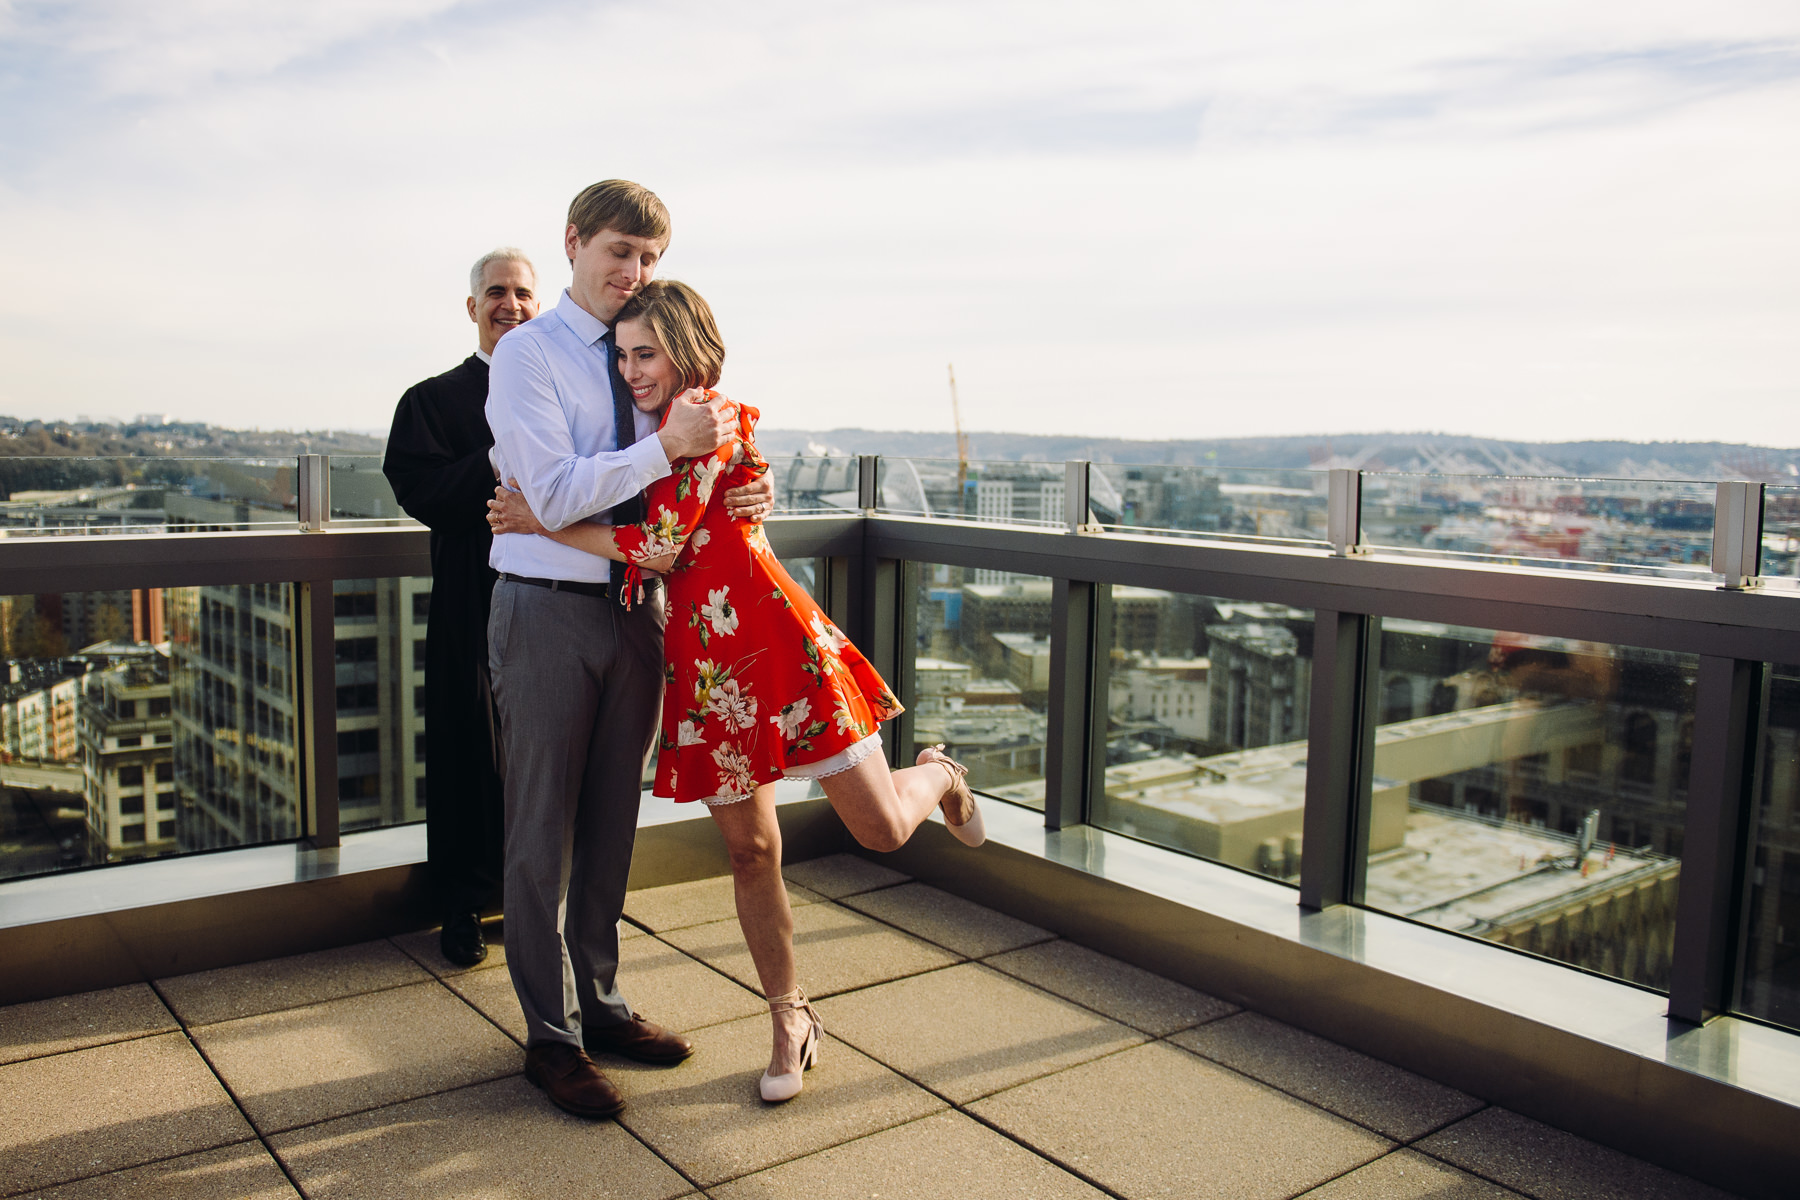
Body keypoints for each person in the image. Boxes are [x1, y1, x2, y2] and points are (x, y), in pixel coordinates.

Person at [488, 278, 984, 1105]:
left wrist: (538, 518)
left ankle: (937, 772)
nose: (631, 370)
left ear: (685, 349)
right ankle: (791, 1019)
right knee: (752, 853)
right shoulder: (668, 430)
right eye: (621, 355)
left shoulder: (705, 421)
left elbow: (658, 544)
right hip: (711, 672)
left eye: (645, 353)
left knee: (883, 828)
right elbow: (698, 511)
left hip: (777, 651)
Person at [484, 180, 777, 1121]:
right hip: (545, 608)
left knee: (613, 824)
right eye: (618, 251)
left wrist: (745, 487)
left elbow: (700, 473)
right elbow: (558, 491)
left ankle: (602, 1008)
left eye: (648, 258)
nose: (633, 272)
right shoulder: (527, 355)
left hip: (639, 610)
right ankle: (550, 1037)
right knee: (540, 833)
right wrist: (665, 452)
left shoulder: (641, 347)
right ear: (573, 243)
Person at [382, 246, 540, 967]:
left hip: (552, 597)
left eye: (523, 293)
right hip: (469, 598)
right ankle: (463, 903)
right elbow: (422, 492)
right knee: (466, 751)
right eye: (497, 292)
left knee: (546, 755)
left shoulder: (555, 393)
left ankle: (537, 896)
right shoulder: (431, 400)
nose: (511, 304)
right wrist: (499, 456)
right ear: (472, 307)